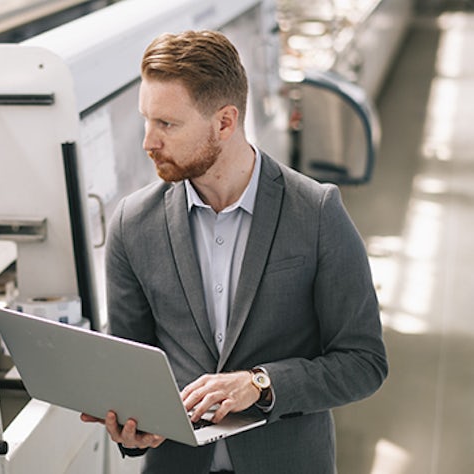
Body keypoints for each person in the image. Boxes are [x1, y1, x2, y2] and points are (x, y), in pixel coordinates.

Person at [80, 30, 388, 473]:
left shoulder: (317, 213)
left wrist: (261, 384)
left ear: (225, 122)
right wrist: (133, 429)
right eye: (147, 120)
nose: (149, 142)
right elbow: (133, 368)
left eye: (167, 124)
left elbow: (363, 362)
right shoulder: (133, 225)